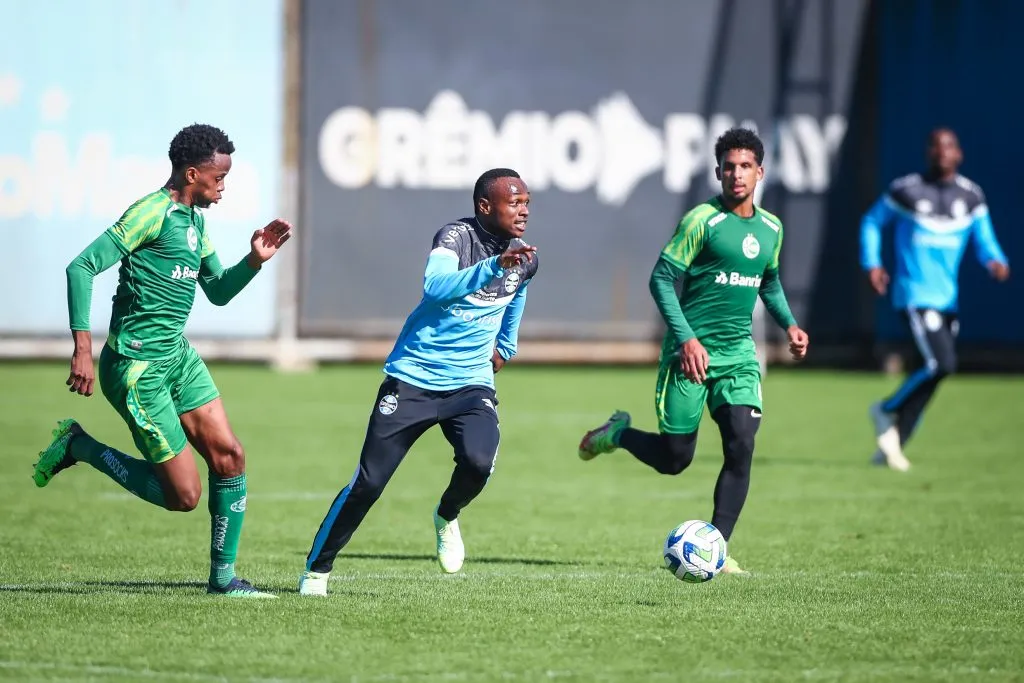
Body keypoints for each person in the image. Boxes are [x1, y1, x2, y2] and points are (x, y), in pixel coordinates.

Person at [33, 123, 292, 598]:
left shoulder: (195, 222)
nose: (223, 187)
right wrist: (83, 348)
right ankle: (79, 446)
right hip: (137, 369)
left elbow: (217, 291)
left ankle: (223, 580)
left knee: (230, 457)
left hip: (177, 356)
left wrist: (254, 260)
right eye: (218, 178)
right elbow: (81, 266)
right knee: (184, 496)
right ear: (192, 174)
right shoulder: (150, 213)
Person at [578, 128, 808, 575]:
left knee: (741, 443)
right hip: (689, 356)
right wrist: (686, 339)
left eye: (745, 167)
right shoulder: (701, 221)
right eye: (729, 167)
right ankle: (618, 434)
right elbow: (660, 279)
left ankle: (717, 547)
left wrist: (790, 325)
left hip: (738, 357)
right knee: (675, 459)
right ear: (718, 172)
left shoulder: (771, 228)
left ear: (760, 173)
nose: (736, 174)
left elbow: (769, 281)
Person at [299, 168, 539, 596]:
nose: (523, 211)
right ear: (485, 206)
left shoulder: (525, 257)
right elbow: (435, 286)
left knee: (479, 463)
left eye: (526, 203)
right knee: (369, 483)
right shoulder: (454, 238)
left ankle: (447, 515)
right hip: (412, 379)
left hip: (470, 384)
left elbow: (517, 292)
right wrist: (491, 266)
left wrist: (506, 346)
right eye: (514, 203)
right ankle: (317, 571)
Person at [860, 128, 1009, 471]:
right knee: (941, 364)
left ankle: (893, 443)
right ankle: (885, 409)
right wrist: (872, 263)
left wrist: (995, 260)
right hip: (914, 295)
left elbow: (984, 238)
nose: (942, 152)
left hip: (947, 300)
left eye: (949, 146)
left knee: (931, 374)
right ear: (928, 152)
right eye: (936, 146)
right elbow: (871, 221)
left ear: (959, 154)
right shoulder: (906, 190)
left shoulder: (971, 196)